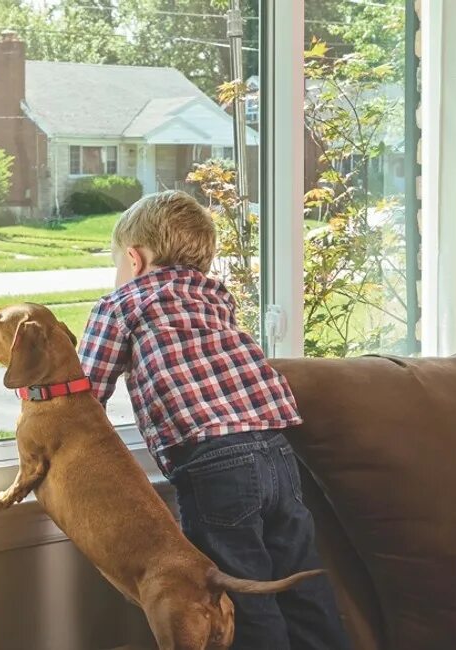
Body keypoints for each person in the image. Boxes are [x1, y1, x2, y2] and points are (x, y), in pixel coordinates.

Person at [77, 190, 351, 649]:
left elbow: (85, 393)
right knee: (298, 581)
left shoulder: (122, 305)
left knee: (246, 595)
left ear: (134, 258)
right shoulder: (214, 297)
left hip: (214, 462)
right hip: (277, 451)